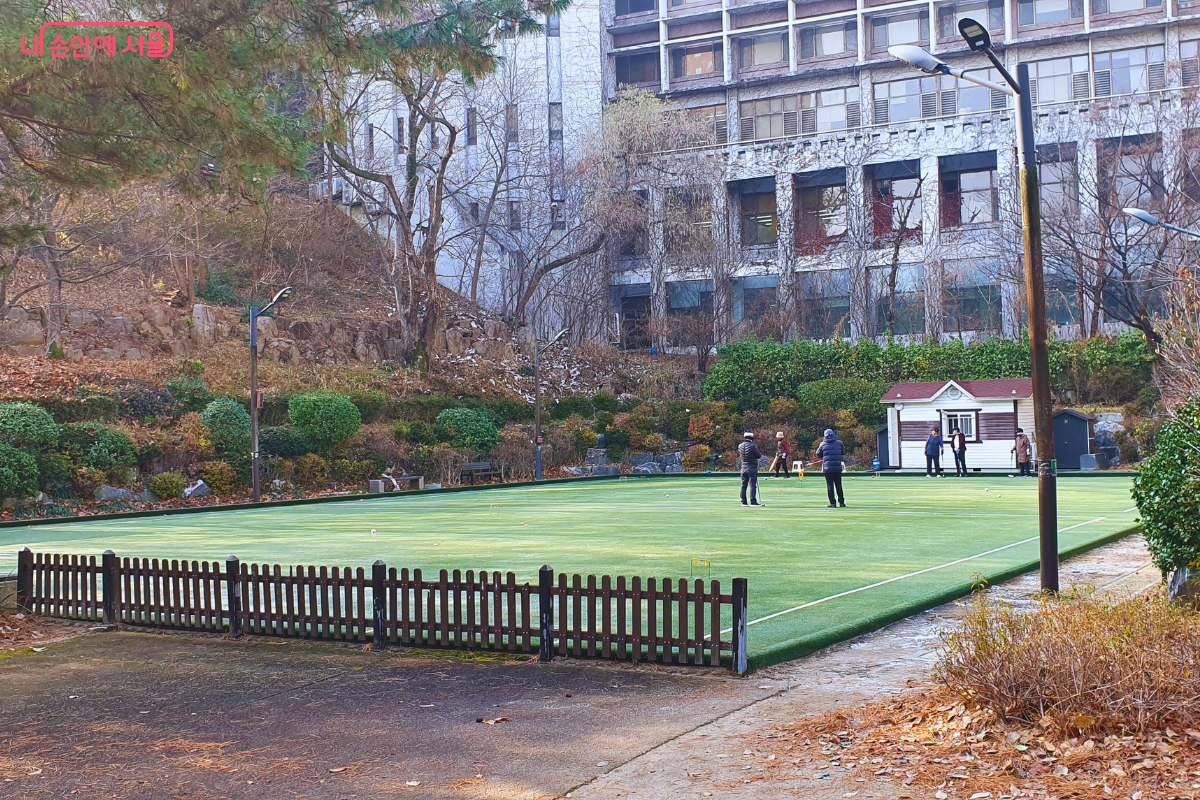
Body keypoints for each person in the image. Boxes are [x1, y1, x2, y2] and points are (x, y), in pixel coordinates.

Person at [815, 429, 846, 508]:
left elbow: (818, 454)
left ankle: (833, 503)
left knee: (830, 485)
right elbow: (843, 452)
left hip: (827, 468)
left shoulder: (822, 444)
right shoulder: (839, 443)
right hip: (837, 467)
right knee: (839, 485)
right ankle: (841, 502)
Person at [737, 430, 763, 506]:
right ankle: (753, 501)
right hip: (752, 467)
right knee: (752, 485)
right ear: (752, 437)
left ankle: (743, 501)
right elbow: (758, 456)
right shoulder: (753, 446)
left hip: (743, 467)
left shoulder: (740, 446)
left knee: (743, 485)